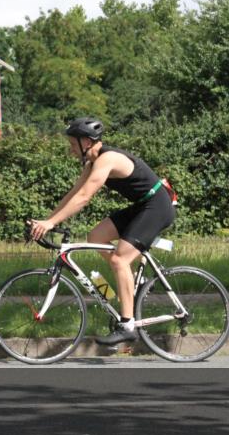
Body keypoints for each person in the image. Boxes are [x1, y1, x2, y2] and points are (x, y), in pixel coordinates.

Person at [28, 117, 175, 345]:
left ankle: (127, 325)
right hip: (142, 206)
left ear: (86, 141)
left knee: (118, 261)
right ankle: (125, 287)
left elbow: (85, 197)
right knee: (95, 237)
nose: (70, 151)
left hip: (157, 206)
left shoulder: (108, 159)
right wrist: (48, 221)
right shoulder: (92, 164)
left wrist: (50, 223)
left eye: (72, 145)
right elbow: (73, 195)